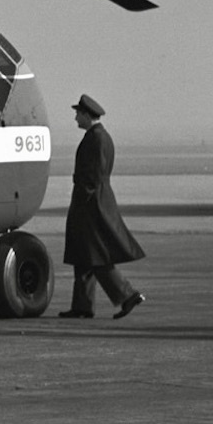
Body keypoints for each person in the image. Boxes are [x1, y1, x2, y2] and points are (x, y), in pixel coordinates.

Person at [60, 95, 145, 319]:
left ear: (87, 115)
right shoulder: (99, 137)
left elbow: (93, 176)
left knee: (94, 255)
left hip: (91, 205)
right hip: (94, 201)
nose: (75, 117)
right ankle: (82, 306)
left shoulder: (96, 139)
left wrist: (83, 199)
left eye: (78, 114)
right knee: (84, 256)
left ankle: (127, 295)